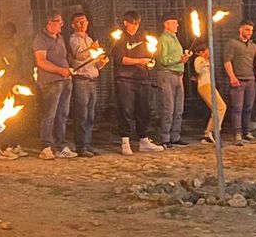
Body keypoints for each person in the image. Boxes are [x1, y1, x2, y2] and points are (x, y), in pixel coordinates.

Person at [113, 11, 160, 154]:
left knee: (143, 109)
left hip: (142, 78)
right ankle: (125, 141)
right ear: (125, 23)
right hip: (125, 79)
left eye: (137, 23)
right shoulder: (120, 39)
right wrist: (140, 61)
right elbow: (121, 59)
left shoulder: (143, 38)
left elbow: (148, 56)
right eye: (132, 23)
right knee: (126, 110)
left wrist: (149, 63)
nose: (135, 26)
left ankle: (144, 139)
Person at [32, 11, 74, 159]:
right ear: (50, 23)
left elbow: (66, 58)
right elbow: (41, 61)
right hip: (50, 82)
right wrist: (60, 70)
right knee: (49, 114)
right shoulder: (40, 39)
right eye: (59, 21)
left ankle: (61, 145)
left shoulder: (60, 38)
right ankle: (45, 146)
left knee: (62, 114)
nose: (62, 25)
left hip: (65, 81)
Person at [65, 11, 106, 156]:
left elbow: (93, 61)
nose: (83, 25)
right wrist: (92, 50)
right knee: (81, 114)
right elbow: (80, 56)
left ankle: (88, 144)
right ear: (73, 25)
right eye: (79, 22)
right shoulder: (74, 39)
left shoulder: (89, 39)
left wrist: (101, 62)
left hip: (92, 79)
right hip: (81, 80)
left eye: (84, 21)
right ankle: (81, 146)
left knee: (90, 115)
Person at [153, 12, 189, 148]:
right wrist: (179, 59)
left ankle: (175, 135)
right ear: (166, 24)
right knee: (169, 107)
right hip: (167, 74)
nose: (177, 25)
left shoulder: (175, 39)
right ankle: (165, 137)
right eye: (174, 22)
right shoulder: (163, 39)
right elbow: (162, 59)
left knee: (179, 108)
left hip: (179, 74)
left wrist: (183, 58)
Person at [222, 20, 256, 145]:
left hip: (251, 80)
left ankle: (246, 131)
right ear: (240, 29)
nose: (249, 33)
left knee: (248, 107)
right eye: (247, 30)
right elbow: (227, 61)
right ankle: (237, 133)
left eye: (251, 30)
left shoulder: (253, 46)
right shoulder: (232, 43)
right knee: (237, 108)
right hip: (238, 80)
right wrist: (232, 77)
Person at [191, 42, 224, 146]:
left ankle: (209, 133)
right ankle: (214, 130)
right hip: (205, 85)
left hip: (208, 84)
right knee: (220, 107)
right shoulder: (199, 59)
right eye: (206, 51)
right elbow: (197, 69)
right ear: (201, 52)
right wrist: (204, 61)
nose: (208, 53)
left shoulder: (206, 60)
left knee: (219, 108)